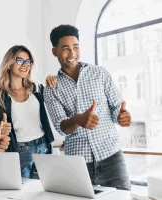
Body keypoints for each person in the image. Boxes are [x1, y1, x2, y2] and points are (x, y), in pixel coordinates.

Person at [44, 24, 132, 190]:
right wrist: (78, 119)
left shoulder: (100, 73)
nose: (72, 54)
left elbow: (116, 108)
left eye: (75, 47)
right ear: (54, 51)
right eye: (65, 49)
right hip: (78, 163)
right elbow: (61, 127)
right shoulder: (51, 88)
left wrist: (122, 117)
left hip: (111, 157)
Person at [0, 45, 54, 179]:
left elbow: (57, 100)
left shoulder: (37, 88)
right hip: (19, 149)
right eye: (19, 60)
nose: (25, 65)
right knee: (23, 192)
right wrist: (2, 131)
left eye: (28, 61)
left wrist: (54, 80)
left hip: (43, 146)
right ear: (9, 63)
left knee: (45, 189)